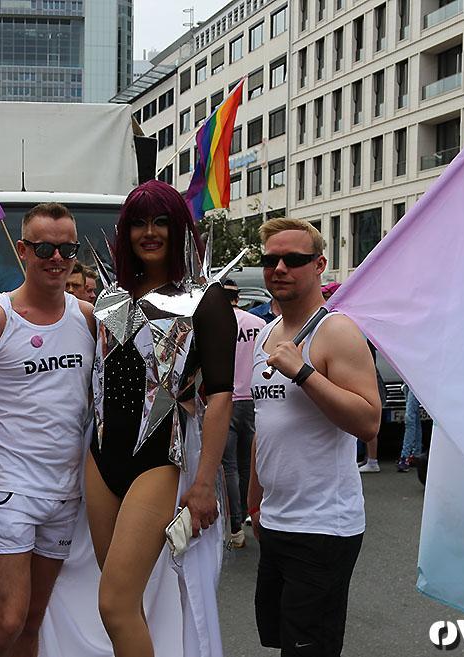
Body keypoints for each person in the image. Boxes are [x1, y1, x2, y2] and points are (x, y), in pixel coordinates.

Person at [87, 180, 235, 657]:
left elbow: (221, 397)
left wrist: (204, 483)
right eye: (138, 223)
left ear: (179, 229)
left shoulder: (206, 299)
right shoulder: (108, 298)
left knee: (115, 603)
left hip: (157, 459)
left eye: (161, 222)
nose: (149, 232)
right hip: (99, 460)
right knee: (122, 599)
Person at [0, 203, 96, 657]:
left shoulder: (89, 318)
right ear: (23, 250)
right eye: (44, 248)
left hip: (65, 493)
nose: (56, 258)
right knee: (6, 620)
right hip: (10, 490)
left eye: (66, 248)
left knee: (33, 622)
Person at [247, 217, 381, 657]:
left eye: (294, 259)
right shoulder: (266, 334)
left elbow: (368, 421)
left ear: (320, 264)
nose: (279, 268)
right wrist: (254, 502)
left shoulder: (337, 330)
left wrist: (303, 372)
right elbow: (264, 426)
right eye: (270, 259)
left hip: (324, 526)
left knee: (309, 649)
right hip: (277, 519)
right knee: (282, 640)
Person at [221, 278, 266, 548]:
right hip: (254, 399)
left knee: (230, 467)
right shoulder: (259, 324)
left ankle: (235, 526)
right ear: (238, 298)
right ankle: (252, 513)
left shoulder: (217, 324)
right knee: (251, 461)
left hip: (226, 399)